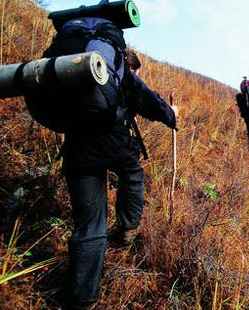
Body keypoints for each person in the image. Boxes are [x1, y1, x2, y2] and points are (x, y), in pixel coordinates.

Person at [59, 19, 178, 309]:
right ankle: (127, 229)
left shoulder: (73, 67)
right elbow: (152, 103)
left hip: (77, 148)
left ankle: (82, 298)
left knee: (89, 225)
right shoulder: (122, 73)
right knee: (133, 173)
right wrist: (172, 114)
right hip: (115, 144)